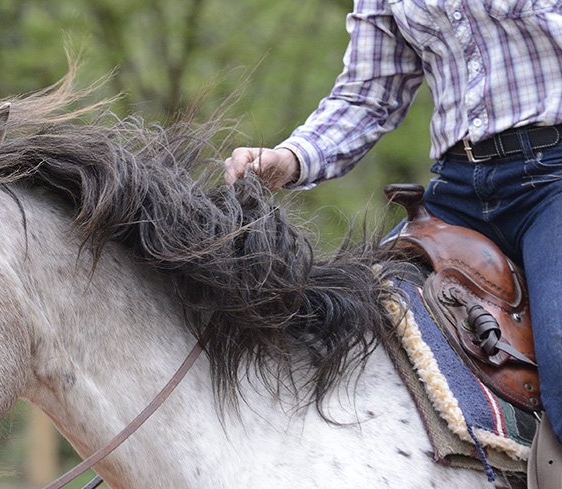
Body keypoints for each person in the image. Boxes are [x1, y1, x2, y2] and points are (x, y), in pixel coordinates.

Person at [225, 0, 562, 443]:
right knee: (336, 328)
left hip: (555, 180)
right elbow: (369, 95)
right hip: (457, 190)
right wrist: (291, 158)